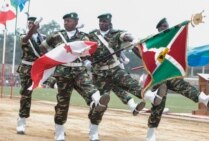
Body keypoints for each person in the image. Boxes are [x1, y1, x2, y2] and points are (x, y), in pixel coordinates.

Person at [87, 13, 167, 141]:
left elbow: (126, 36)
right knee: (101, 104)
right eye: (100, 21)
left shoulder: (116, 34)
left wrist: (133, 39)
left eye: (104, 21)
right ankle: (93, 133)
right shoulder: (91, 35)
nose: (102, 23)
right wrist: (87, 60)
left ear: (109, 22)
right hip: (99, 74)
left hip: (115, 69)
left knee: (131, 83)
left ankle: (152, 97)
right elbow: (85, 48)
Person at [144, 18, 209, 141]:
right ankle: (150, 135)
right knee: (158, 107)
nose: (166, 28)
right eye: (163, 26)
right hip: (157, 76)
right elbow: (139, 50)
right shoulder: (153, 40)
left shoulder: (172, 41)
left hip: (170, 74)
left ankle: (205, 99)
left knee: (184, 86)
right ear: (158, 28)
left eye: (167, 26)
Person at [39, 12, 110, 141]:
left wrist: (87, 59)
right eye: (65, 20)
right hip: (63, 71)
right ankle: (59, 133)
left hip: (78, 69)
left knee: (90, 88)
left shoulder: (83, 36)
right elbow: (42, 47)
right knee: (62, 103)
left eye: (69, 20)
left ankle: (98, 102)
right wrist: (52, 57)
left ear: (76, 23)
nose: (66, 22)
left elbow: (92, 50)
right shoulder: (56, 35)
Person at [16, 16, 46, 135]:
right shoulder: (23, 36)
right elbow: (26, 38)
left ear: (39, 26)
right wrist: (33, 27)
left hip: (40, 68)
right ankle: (22, 122)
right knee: (26, 94)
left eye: (33, 24)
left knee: (61, 90)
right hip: (26, 69)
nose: (31, 25)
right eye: (29, 24)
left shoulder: (43, 38)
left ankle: (59, 125)